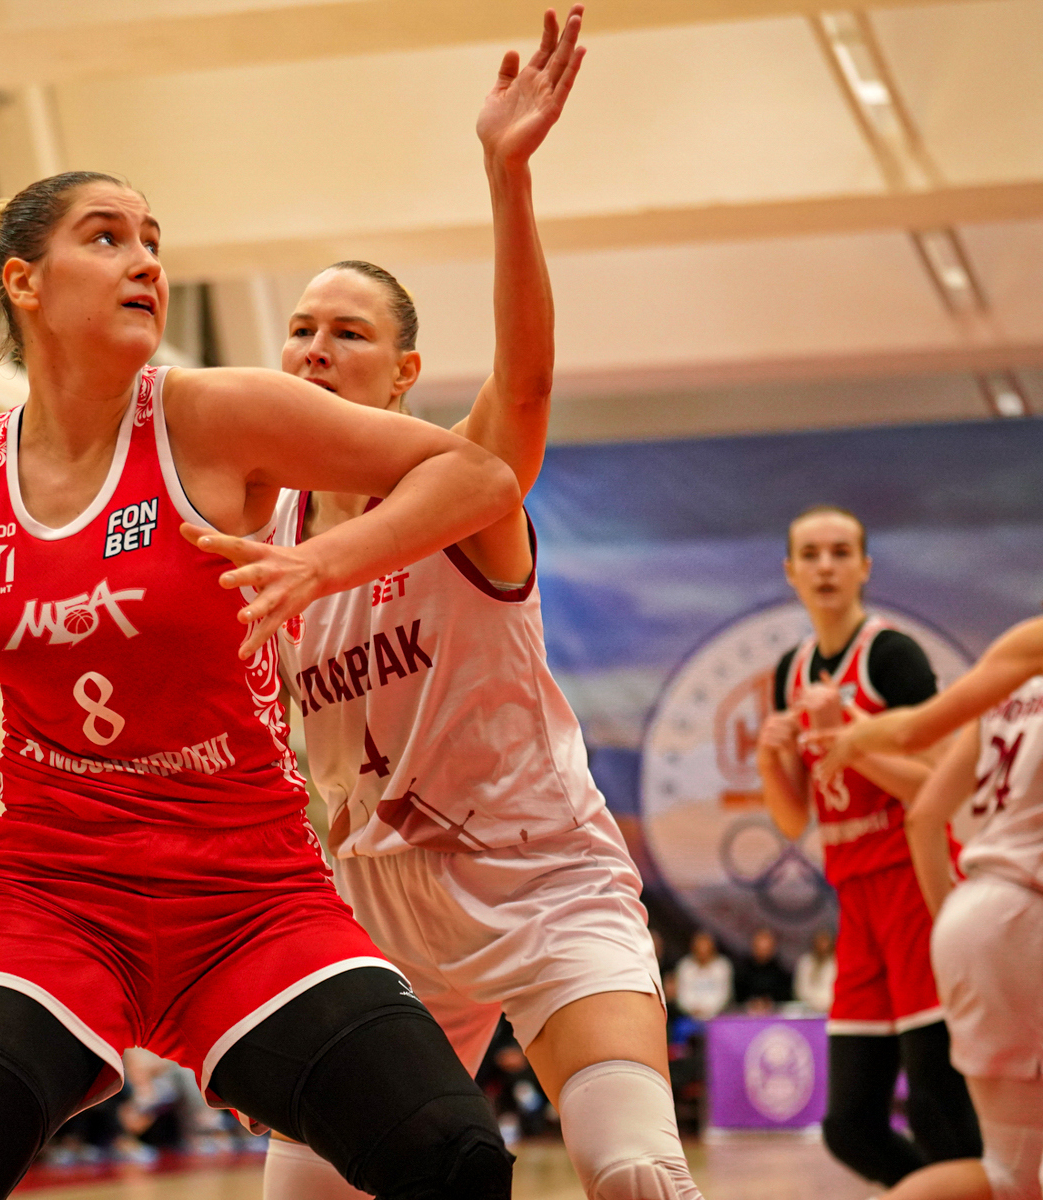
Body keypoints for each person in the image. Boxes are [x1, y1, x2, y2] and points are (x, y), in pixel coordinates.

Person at [0, 161, 524, 1197]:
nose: (146, 263)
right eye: (108, 237)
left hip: (248, 892)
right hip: (52, 890)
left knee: (456, 1157)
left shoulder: (217, 415)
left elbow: (478, 475)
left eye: (153, 242)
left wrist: (319, 562)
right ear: (25, 282)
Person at [255, 11, 703, 1199]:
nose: (314, 348)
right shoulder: (263, 533)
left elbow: (530, 383)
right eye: (299, 329)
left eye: (347, 332)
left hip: (534, 870)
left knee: (632, 1169)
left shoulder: (459, 486)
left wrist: (507, 176)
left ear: (404, 372)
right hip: (375, 903)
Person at [756, 504, 982, 1186]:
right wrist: (771, 760)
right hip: (856, 901)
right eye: (811, 555)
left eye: (840, 552)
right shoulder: (790, 672)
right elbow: (793, 819)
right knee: (849, 1127)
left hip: (918, 883)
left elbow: (942, 783)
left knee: (941, 1113)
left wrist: (854, 741)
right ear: (791, 572)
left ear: (864, 567)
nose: (826, 566)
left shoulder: (891, 656)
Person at [814, 612, 1043, 1200]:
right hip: (1030, 912)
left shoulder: (1012, 677)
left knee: (1009, 1171)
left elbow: (921, 799)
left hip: (971, 914)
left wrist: (857, 738)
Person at [672, 932, 733, 1023]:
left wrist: (708, 1010)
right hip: (689, 1017)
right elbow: (681, 994)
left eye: (706, 949)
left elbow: (724, 994)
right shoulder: (685, 967)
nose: (702, 953)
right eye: (699, 949)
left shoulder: (722, 967)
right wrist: (693, 1009)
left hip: (717, 1017)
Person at [733, 929, 794, 1013]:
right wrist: (753, 1003)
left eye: (767, 947)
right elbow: (738, 996)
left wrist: (769, 1003)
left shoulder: (782, 972)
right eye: (760, 947)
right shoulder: (742, 971)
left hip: (775, 1014)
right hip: (745, 1014)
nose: (763, 950)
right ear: (753, 946)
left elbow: (785, 997)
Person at [794, 930, 838, 1014]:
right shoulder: (806, 962)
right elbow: (801, 989)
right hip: (809, 1009)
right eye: (820, 941)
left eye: (825, 941)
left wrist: (827, 1003)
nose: (823, 945)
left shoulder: (836, 962)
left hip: (832, 1008)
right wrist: (816, 1004)